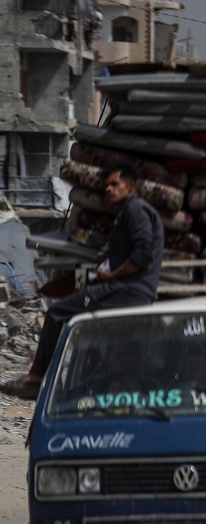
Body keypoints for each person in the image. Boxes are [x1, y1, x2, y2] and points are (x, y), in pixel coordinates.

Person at [1, 165, 164, 400]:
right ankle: (67, 382)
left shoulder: (135, 209)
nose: (109, 189)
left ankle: (38, 376)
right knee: (80, 327)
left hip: (126, 290)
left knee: (57, 313)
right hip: (126, 287)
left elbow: (144, 254)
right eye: (106, 185)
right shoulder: (128, 212)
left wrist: (112, 275)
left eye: (115, 184)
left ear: (131, 186)